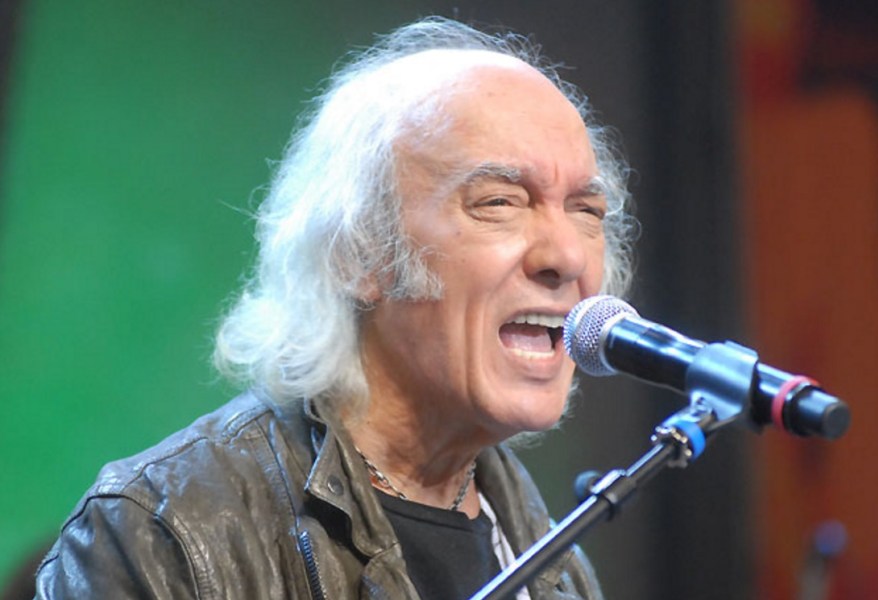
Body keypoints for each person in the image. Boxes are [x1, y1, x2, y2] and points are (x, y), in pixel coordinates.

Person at [34, 16, 634, 599]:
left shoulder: (556, 564)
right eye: (499, 202)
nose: (566, 256)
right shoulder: (163, 533)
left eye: (586, 212)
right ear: (357, 252)